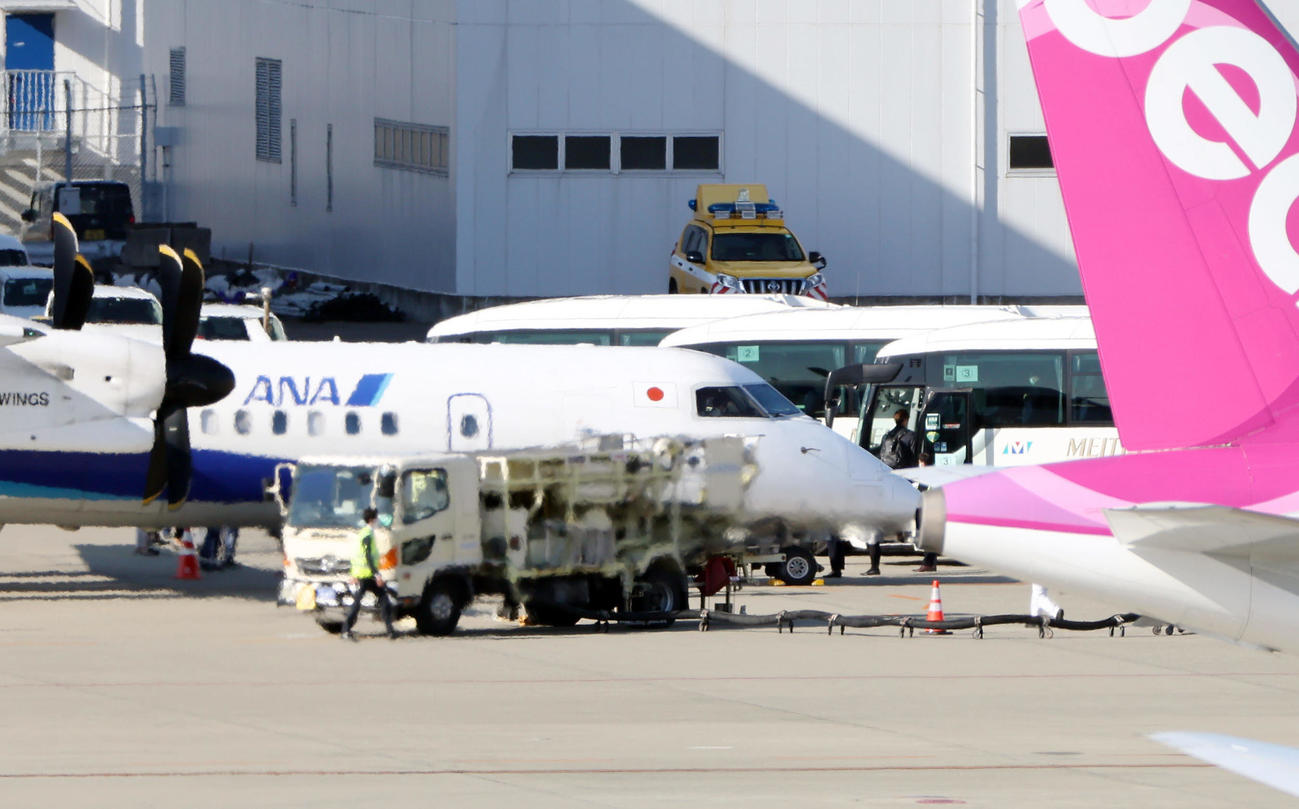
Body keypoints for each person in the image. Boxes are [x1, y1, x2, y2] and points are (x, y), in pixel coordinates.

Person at [869, 408, 930, 575]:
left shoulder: (886, 436)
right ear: (906, 420)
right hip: (907, 483)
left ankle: (874, 566)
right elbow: (917, 458)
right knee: (921, 520)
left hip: (889, 482)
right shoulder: (911, 436)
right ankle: (929, 559)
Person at [341, 507, 397, 641]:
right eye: (377, 518)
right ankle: (346, 630)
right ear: (372, 520)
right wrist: (377, 575)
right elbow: (367, 557)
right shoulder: (367, 535)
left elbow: (356, 556)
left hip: (363, 574)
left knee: (376, 600)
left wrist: (354, 574)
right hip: (367, 575)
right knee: (376, 600)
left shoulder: (363, 533)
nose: (378, 521)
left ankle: (390, 630)